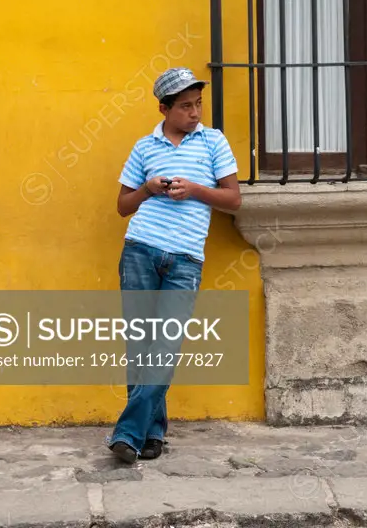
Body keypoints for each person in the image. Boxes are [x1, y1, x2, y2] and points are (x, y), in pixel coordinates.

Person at [107, 67, 241, 464]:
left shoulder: (214, 142)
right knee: (140, 348)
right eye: (185, 106)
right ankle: (151, 433)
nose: (195, 113)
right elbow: (121, 207)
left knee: (164, 348)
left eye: (198, 104)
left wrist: (196, 190)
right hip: (140, 250)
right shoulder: (144, 147)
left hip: (185, 259)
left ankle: (127, 433)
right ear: (164, 109)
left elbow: (233, 199)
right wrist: (148, 189)